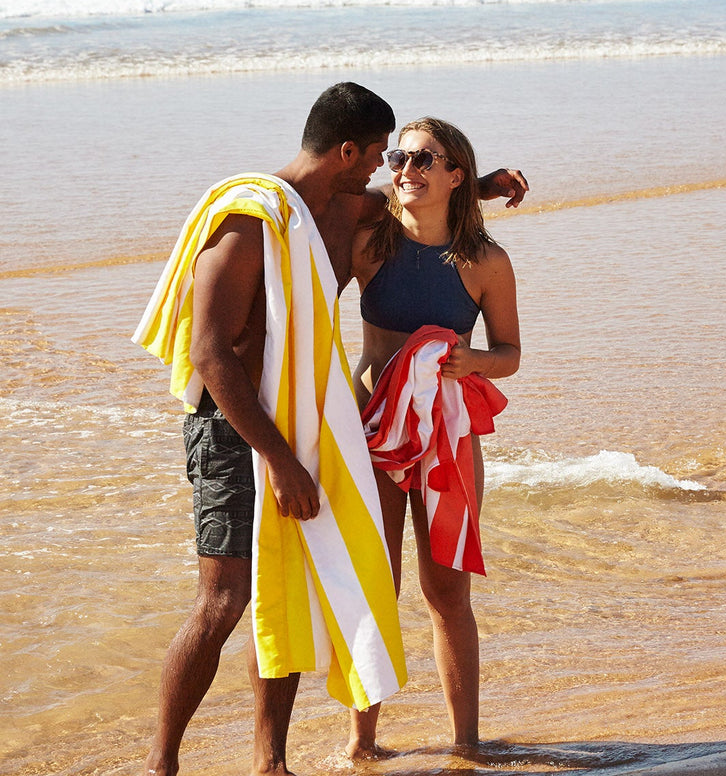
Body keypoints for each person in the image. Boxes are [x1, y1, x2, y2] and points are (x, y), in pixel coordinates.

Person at [133, 84, 528, 776]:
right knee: (268, 592)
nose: (389, 168)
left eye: (409, 157)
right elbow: (210, 351)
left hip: (371, 425)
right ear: (351, 152)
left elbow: (431, 223)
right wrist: (283, 458)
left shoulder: (416, 238)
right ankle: (176, 762)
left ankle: (284, 761)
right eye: (385, 154)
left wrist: (481, 185)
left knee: (316, 590)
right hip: (295, 428)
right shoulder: (299, 226)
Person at [346, 117, 521, 757]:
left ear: (454, 173)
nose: (405, 169)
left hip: (447, 431)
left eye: (425, 159)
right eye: (399, 156)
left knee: (446, 590)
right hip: (370, 430)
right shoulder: (370, 244)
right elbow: (339, 205)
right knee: (374, 580)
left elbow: (509, 352)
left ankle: (466, 742)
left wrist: (475, 363)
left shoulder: (485, 262)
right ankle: (363, 740)